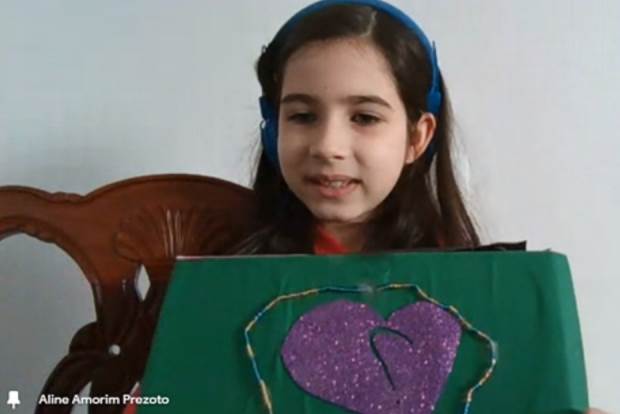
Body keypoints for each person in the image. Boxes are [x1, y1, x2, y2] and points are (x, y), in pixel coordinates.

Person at [123, 1, 607, 412]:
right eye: (303, 115)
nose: (328, 146)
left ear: (417, 137)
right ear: (273, 129)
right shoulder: (222, 289)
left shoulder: (474, 303)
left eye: (365, 117)